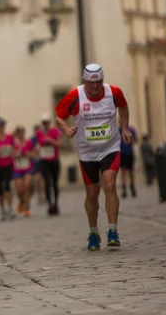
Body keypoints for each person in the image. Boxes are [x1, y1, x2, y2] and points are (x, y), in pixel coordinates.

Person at [54, 64, 132, 251]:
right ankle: (93, 232)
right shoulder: (75, 96)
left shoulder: (113, 92)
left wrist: (125, 128)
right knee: (92, 193)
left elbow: (123, 106)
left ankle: (112, 231)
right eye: (92, 83)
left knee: (110, 185)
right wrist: (66, 129)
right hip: (87, 151)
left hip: (109, 147)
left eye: (99, 82)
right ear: (85, 82)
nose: (96, 86)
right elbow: (59, 116)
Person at [36, 114, 64, 215]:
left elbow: (61, 144)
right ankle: (49, 204)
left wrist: (51, 141)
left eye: (47, 123)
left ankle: (56, 203)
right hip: (44, 160)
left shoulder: (55, 131)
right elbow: (37, 144)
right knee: (47, 182)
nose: (45, 125)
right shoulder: (39, 132)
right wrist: (38, 148)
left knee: (55, 183)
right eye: (44, 123)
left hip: (54, 160)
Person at [12, 125, 35, 217]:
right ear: (16, 133)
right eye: (19, 132)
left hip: (28, 168)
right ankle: (21, 201)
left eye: (23, 132)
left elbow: (34, 154)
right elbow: (10, 154)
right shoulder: (13, 143)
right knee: (19, 190)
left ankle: (27, 207)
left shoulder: (29, 142)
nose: (21, 134)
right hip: (17, 169)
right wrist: (16, 154)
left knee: (27, 187)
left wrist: (27, 153)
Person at [119, 124, 138, 198]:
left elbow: (136, 140)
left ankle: (132, 187)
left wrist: (130, 139)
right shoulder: (117, 131)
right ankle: (124, 189)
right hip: (121, 153)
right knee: (123, 171)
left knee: (131, 171)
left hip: (129, 152)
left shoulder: (131, 130)